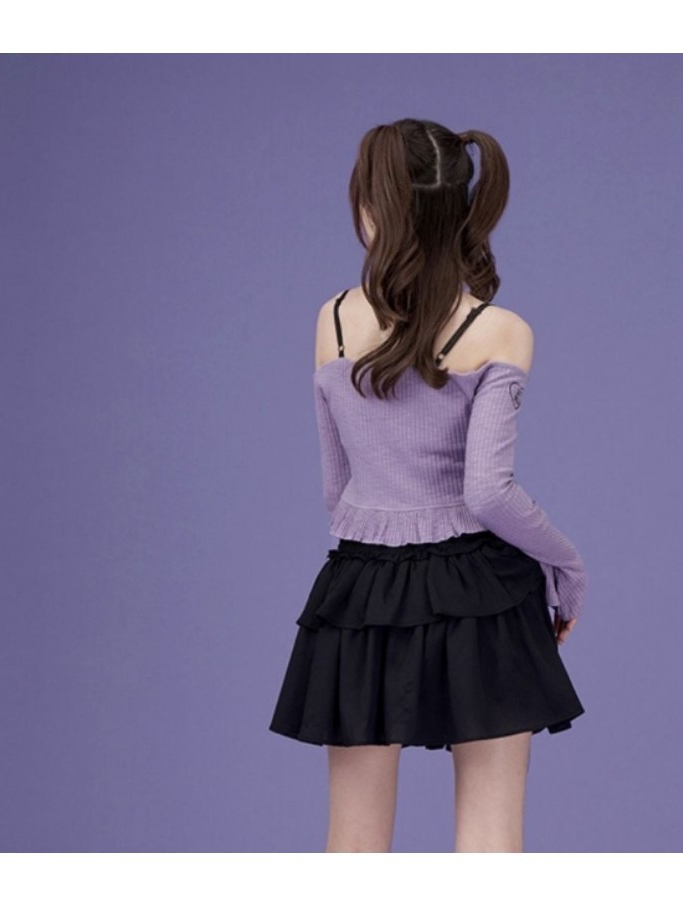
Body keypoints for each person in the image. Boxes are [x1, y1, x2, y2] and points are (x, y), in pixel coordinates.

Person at [269, 118, 589, 853]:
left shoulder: (334, 321)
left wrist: (377, 572)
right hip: (481, 594)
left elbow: (337, 490)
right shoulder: (500, 330)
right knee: (490, 842)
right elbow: (488, 493)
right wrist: (567, 567)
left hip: (360, 592)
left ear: (371, 207)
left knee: (352, 847)